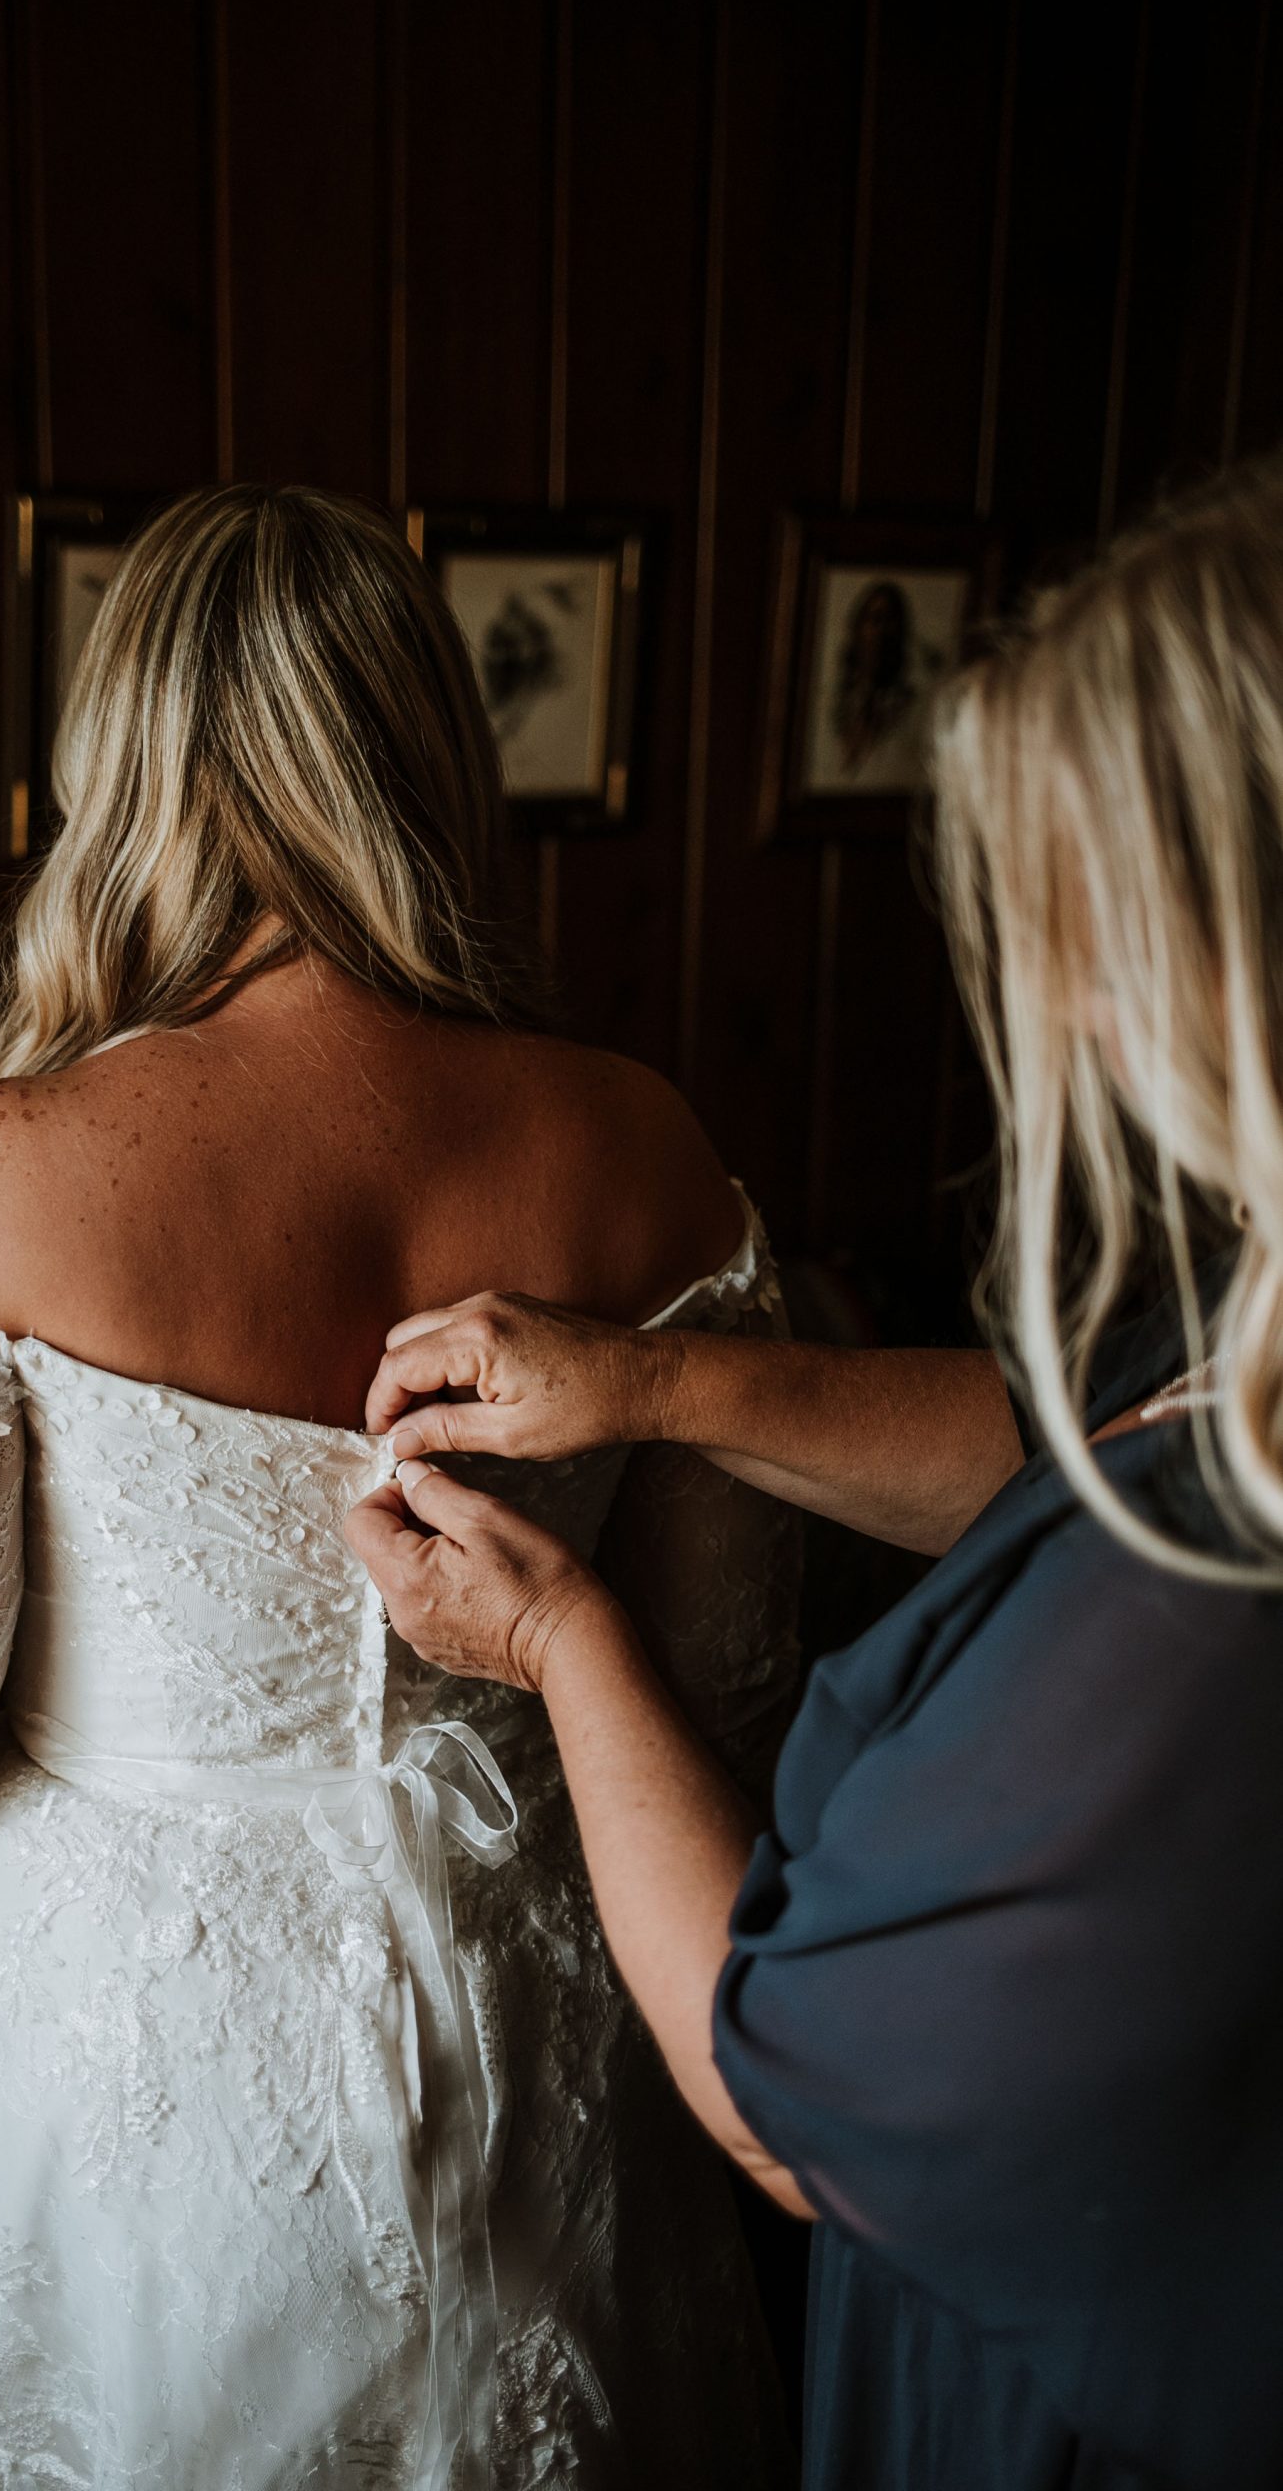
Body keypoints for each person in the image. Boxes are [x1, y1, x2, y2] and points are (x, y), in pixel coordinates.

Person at [0, 485, 803, 2489]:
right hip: (542, 2011)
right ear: (430, 750)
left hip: (122, 2058)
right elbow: (726, 1683)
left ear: (123, 764)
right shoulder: (645, 1150)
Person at [349, 460, 1283, 2491]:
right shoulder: (1247, 1313)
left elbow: (781, 2090)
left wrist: (562, 1634)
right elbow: (1068, 1447)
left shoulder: (1207, 1612)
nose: (1068, 1005)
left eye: (1093, 926)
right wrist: (651, 1383)